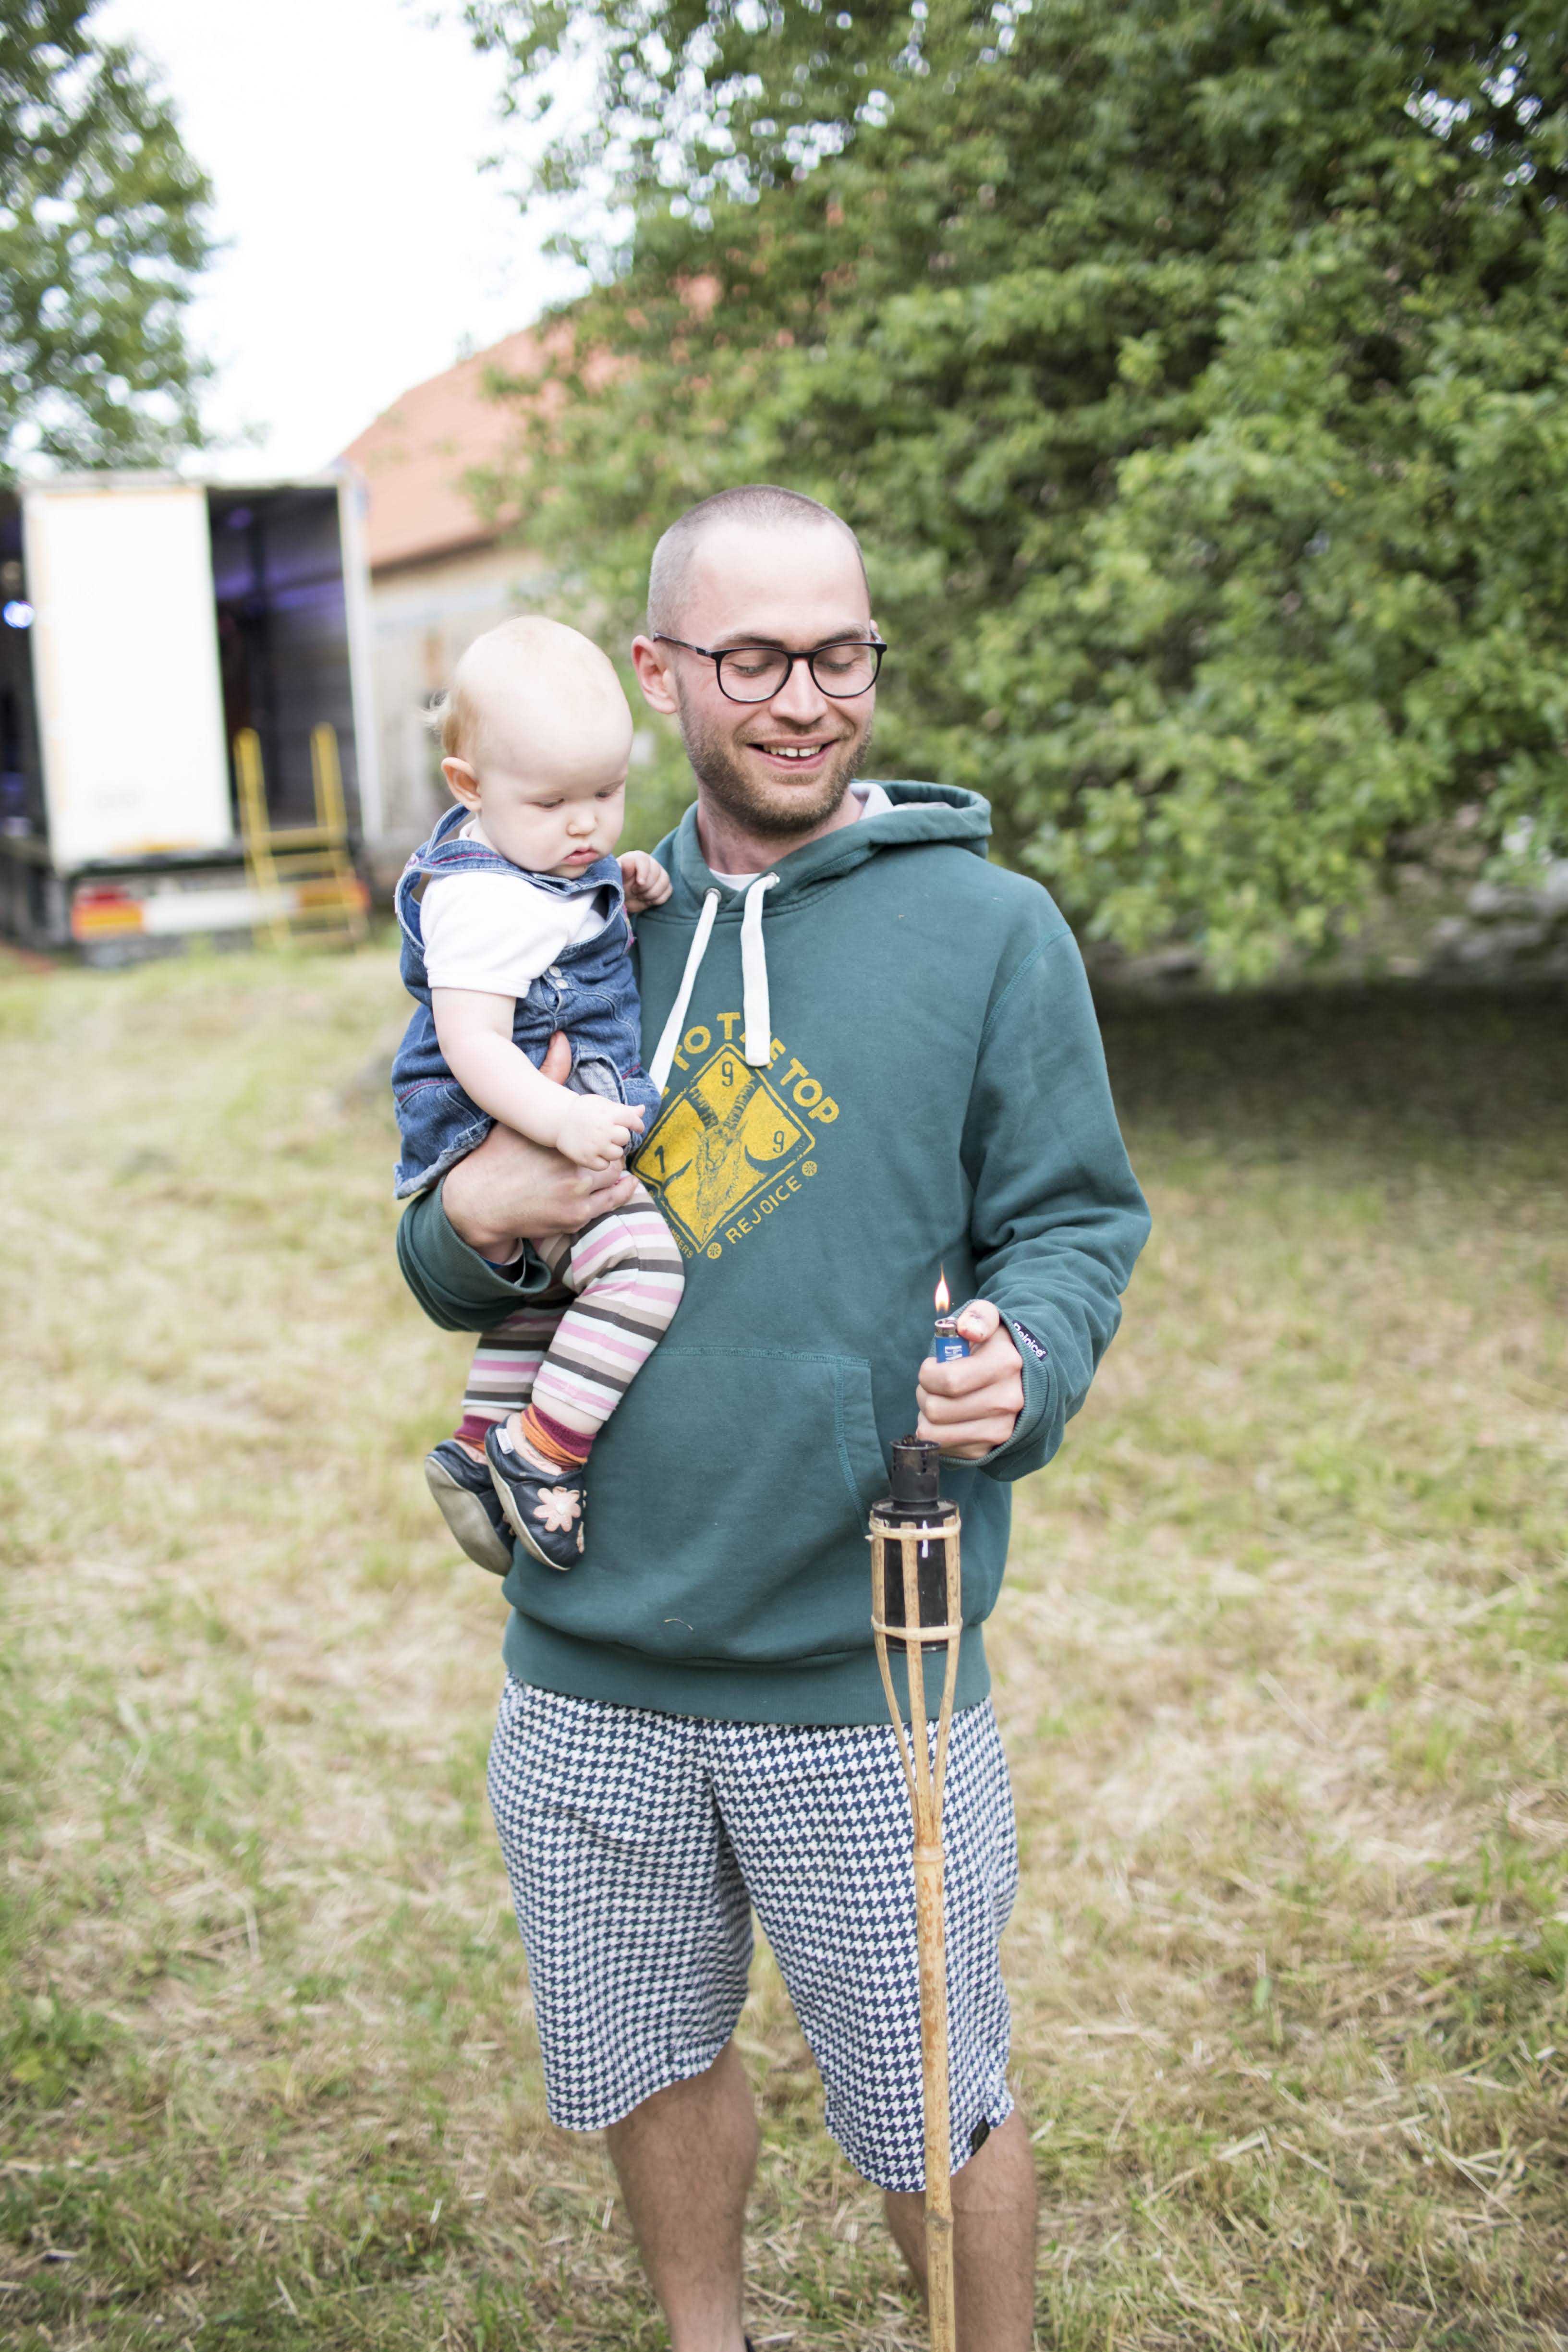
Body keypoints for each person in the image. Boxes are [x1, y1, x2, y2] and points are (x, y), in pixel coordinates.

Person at [395, 486, 1151, 2351]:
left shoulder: (991, 932)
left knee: (931, 2106)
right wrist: (477, 1213)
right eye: (752, 658)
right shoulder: (565, 919)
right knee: (652, 2064)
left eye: (839, 652)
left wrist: (1028, 1356)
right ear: (659, 672)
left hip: (865, 1655)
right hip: (593, 1648)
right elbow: (441, 1252)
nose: (804, 697)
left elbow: (1071, 1220)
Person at [391, 616, 684, 1570]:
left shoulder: (540, 860)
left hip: (545, 1112)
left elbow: (562, 924)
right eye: (554, 801)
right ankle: (540, 1452)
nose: (586, 826)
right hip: (511, 1118)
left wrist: (614, 887)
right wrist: (560, 1119)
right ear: (468, 786)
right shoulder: (479, 898)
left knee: (550, 1293)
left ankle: (479, 1447)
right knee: (639, 1268)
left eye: (606, 792)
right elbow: (473, 1042)